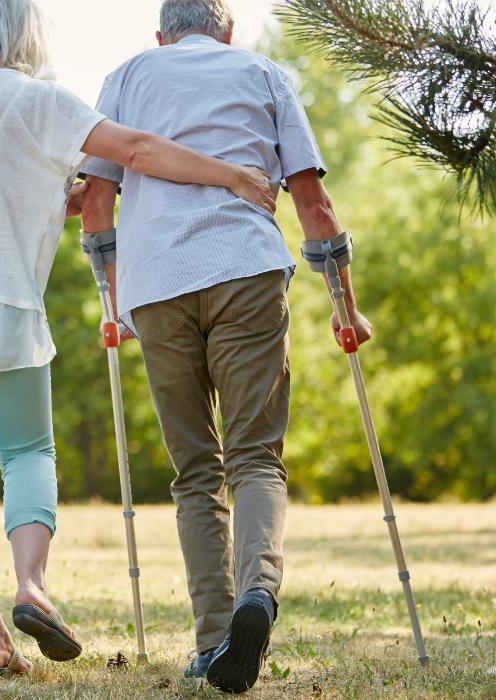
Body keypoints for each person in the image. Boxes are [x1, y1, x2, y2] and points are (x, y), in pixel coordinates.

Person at [0, 0, 276, 678]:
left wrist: (58, 194)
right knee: (29, 451)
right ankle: (32, 586)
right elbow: (138, 150)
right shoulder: (41, 101)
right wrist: (232, 174)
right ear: (27, 37)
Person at [79, 0, 373, 693]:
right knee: (255, 457)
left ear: (161, 34)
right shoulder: (263, 72)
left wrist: (111, 303)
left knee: (195, 472)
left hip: (157, 285)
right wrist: (346, 308)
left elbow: (96, 204)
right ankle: (256, 596)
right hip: (245, 266)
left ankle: (214, 642)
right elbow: (314, 205)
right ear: (228, 29)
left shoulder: (127, 74)